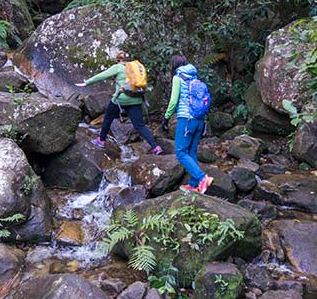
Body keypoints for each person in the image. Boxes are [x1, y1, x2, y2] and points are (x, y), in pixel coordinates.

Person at [75, 52, 162, 155]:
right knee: (140, 126)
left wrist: (87, 82)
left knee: (108, 118)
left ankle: (101, 140)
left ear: (118, 60)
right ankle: (155, 147)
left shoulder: (118, 67)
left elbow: (102, 75)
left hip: (120, 100)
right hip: (136, 100)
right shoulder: (136, 68)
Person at [160, 55, 213, 193]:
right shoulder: (194, 77)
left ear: (174, 65)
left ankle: (202, 178)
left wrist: (166, 118)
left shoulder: (178, 78)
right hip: (199, 120)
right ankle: (194, 184)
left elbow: (173, 101)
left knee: (181, 152)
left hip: (186, 120)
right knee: (191, 152)